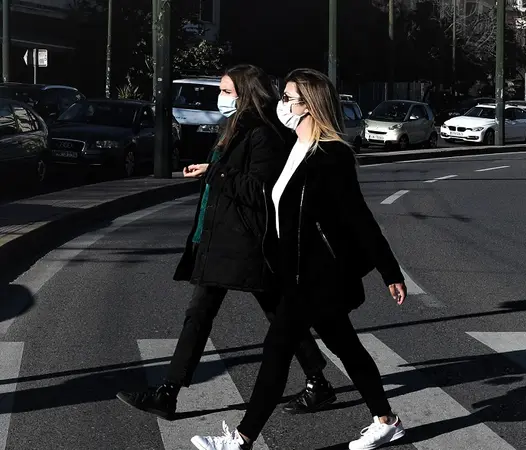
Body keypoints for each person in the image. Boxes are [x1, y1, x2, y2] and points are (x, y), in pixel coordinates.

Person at [190, 68, 408, 450]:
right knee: (346, 347)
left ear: (308, 106)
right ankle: (386, 420)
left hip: (316, 275)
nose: (282, 104)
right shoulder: (294, 147)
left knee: (276, 351)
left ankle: (240, 440)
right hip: (292, 272)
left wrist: (390, 271)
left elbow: (359, 218)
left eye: (288, 98)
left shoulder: (332, 155)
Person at [116, 65, 336, 420]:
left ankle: (169, 393)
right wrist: (211, 170)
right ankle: (170, 392)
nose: (220, 98)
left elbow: (259, 188)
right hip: (222, 236)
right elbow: (235, 177)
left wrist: (215, 172)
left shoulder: (263, 134)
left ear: (246, 94)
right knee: (225, 311)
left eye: (226, 91)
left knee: (231, 312)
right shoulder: (236, 127)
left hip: (243, 240)